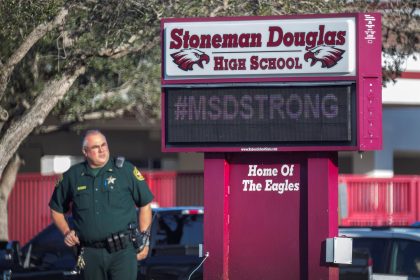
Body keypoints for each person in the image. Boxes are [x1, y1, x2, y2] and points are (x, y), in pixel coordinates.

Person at [49, 130, 154, 280]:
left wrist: (144, 241)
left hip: (123, 253)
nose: (102, 150)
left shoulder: (125, 171)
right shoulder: (72, 176)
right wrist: (66, 232)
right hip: (89, 253)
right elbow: (55, 210)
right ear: (85, 152)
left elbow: (145, 204)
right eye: (96, 147)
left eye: (103, 145)